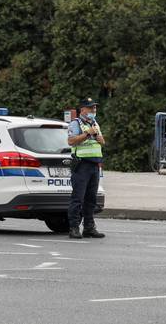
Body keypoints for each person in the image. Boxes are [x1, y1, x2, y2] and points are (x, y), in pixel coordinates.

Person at [66, 97, 105, 239]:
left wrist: (101, 140)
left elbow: (102, 141)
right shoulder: (76, 123)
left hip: (95, 165)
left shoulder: (95, 123)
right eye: (90, 108)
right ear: (82, 110)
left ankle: (89, 227)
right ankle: (74, 228)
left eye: (94, 108)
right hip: (81, 165)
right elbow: (71, 141)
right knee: (78, 198)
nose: (93, 110)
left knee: (91, 199)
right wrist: (88, 133)